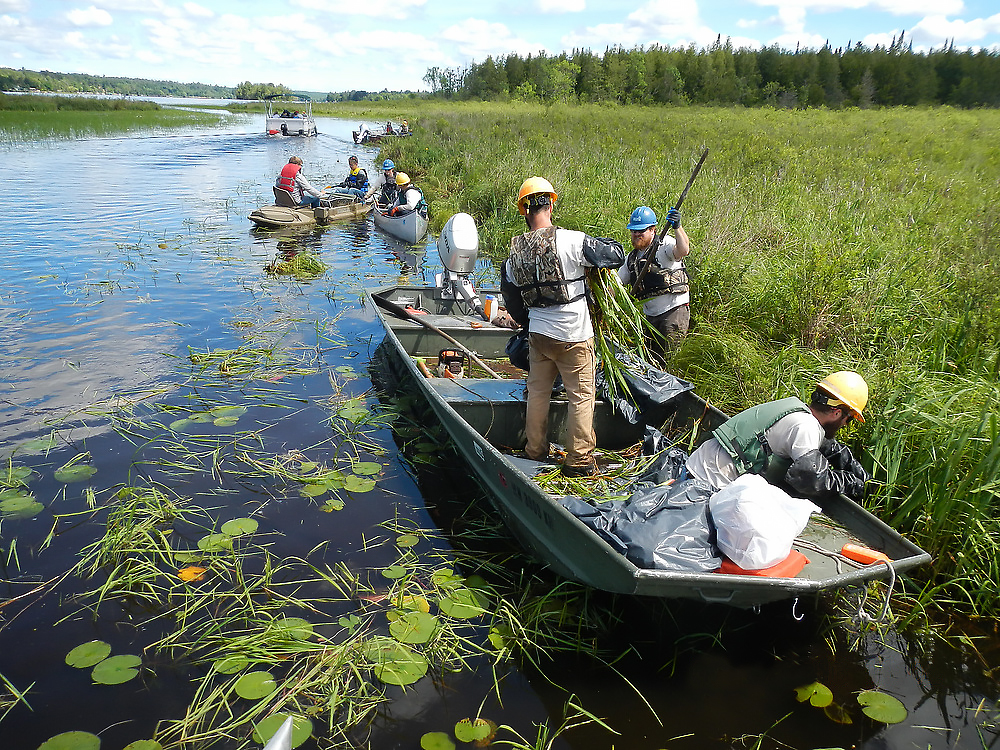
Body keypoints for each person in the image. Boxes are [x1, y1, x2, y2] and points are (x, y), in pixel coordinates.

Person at [504, 177, 625, 477]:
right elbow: (616, 255)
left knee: (538, 393)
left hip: (539, 337)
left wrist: (528, 321)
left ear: (524, 211)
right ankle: (579, 460)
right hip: (573, 336)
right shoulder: (571, 240)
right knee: (581, 395)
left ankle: (534, 452)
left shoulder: (514, 253)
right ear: (551, 203)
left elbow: (512, 297)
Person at [685, 371, 873, 501]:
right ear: (837, 412)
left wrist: (847, 460)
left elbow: (823, 444)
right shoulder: (806, 426)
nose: (845, 425)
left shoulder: (794, 409)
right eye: (849, 419)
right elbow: (812, 479)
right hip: (710, 484)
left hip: (699, 466)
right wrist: (852, 484)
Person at [617, 206, 691, 361]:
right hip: (650, 318)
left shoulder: (664, 245)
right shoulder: (631, 259)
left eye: (641, 231)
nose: (636, 235)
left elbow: (683, 250)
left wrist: (677, 226)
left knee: (669, 360)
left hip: (672, 313)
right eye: (633, 231)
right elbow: (616, 284)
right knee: (651, 363)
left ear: (652, 230)